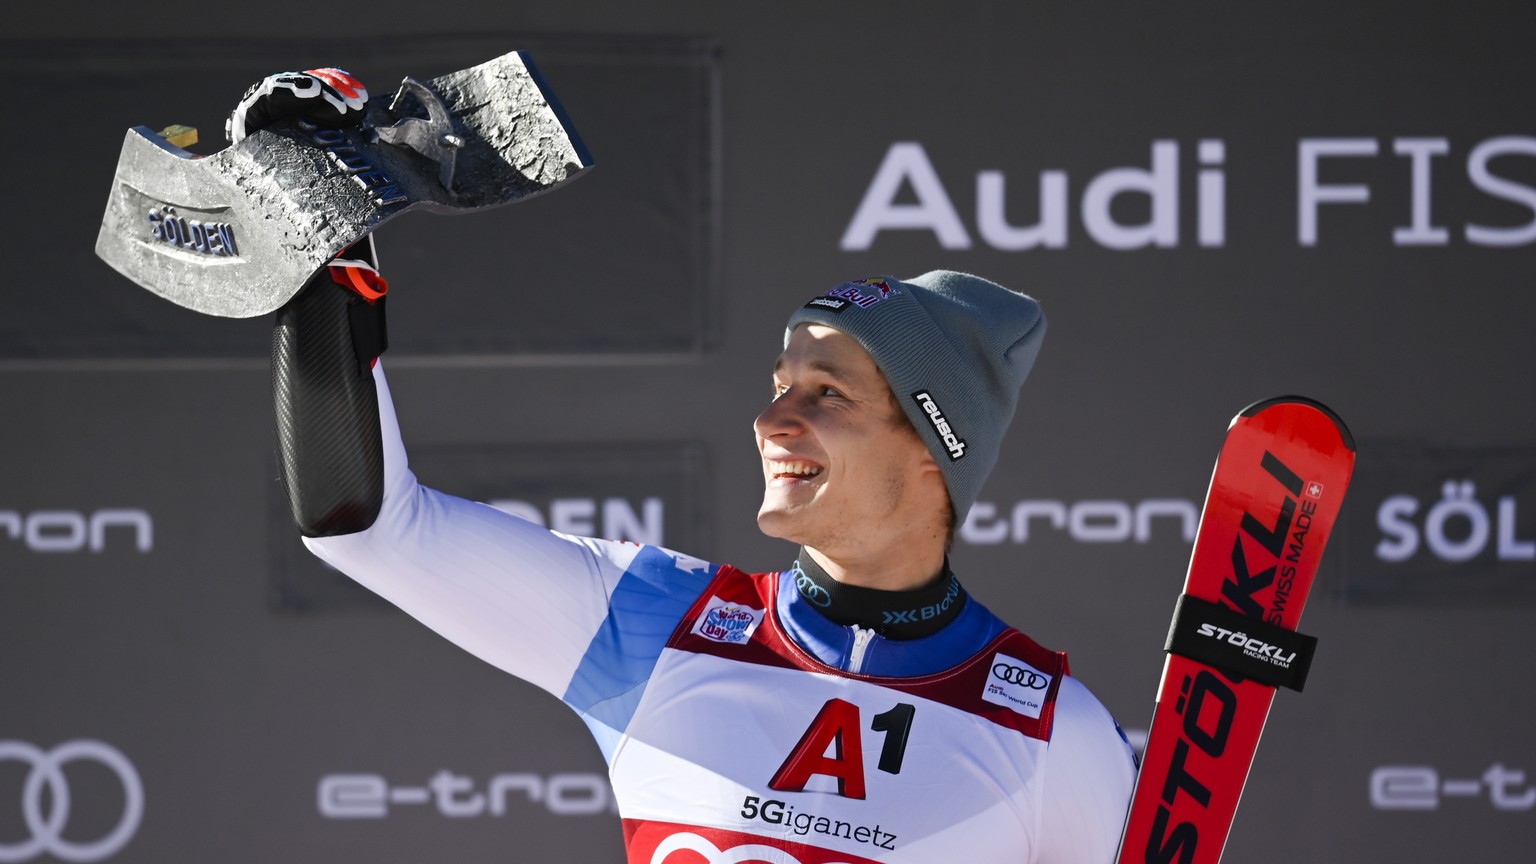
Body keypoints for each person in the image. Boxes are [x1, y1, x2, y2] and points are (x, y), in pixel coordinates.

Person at [242, 69, 1137, 864]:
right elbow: (366, 526)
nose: (772, 420)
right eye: (779, 384)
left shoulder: (1054, 734)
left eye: (827, 395)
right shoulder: (650, 621)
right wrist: (325, 255)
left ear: (935, 449)